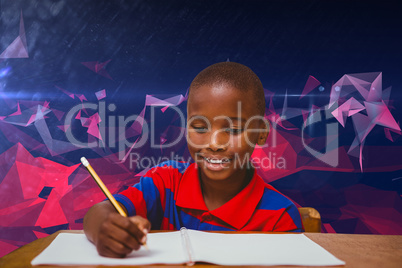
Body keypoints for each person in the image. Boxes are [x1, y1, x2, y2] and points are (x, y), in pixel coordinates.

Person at [83, 62, 303, 258]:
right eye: (200, 127)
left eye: (234, 129)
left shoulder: (280, 217)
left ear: (261, 133)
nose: (215, 143)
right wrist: (106, 227)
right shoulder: (165, 182)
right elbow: (99, 212)